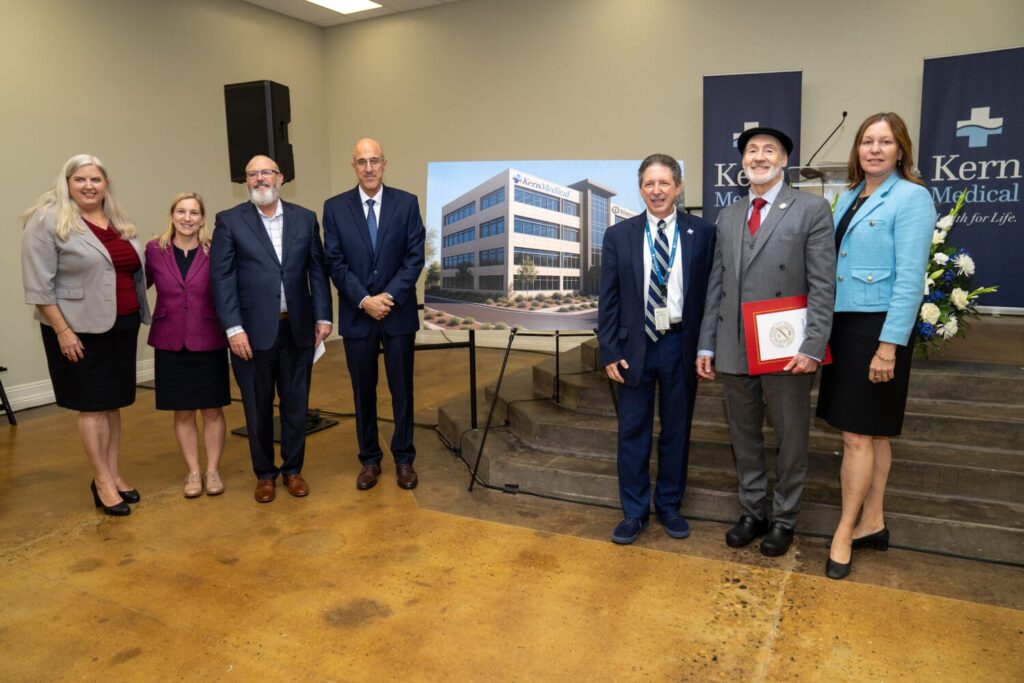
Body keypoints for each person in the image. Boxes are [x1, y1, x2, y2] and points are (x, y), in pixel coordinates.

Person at [696, 127, 835, 557]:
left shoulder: (811, 210)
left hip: (786, 349)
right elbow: (717, 283)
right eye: (751, 151)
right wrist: (706, 344)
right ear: (742, 164)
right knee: (744, 437)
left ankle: (785, 517)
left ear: (784, 161)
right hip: (735, 348)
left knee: (792, 438)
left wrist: (813, 345)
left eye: (768, 150)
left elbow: (823, 284)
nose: (759, 157)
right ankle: (752, 511)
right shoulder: (730, 215)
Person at [818, 112, 936, 580]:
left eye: (885, 141)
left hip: (878, 329)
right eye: (867, 141)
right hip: (843, 327)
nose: (875, 149)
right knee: (874, 431)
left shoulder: (912, 198)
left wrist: (888, 346)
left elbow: (910, 279)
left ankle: (844, 532)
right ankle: (873, 521)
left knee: (856, 434)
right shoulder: (847, 195)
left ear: (901, 149)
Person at [21, 154, 151, 516]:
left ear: (106, 184)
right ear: (67, 183)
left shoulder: (117, 220)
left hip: (121, 326)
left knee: (111, 405)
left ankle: (113, 473)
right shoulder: (47, 220)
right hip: (78, 331)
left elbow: (128, 270)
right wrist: (63, 331)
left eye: (96, 179)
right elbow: (37, 286)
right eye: (80, 179)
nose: (89, 186)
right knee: (92, 407)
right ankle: (102, 483)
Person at [597, 154, 716, 544]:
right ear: (641, 188)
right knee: (633, 431)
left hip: (680, 344)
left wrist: (706, 347)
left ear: (678, 188)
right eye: (649, 183)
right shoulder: (620, 235)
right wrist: (610, 351)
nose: (657, 190)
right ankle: (634, 512)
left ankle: (668, 505)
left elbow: (710, 296)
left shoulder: (703, 233)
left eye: (664, 183)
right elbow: (608, 299)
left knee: (676, 431)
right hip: (635, 347)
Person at [209, 156, 333, 503]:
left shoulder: (305, 219)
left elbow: (317, 272)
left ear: (280, 177)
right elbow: (222, 279)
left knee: (296, 405)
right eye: (252, 174)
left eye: (266, 172)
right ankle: (264, 474)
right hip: (250, 334)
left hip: (297, 330)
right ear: (245, 182)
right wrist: (233, 329)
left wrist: (323, 317)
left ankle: (293, 470)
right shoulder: (230, 222)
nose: (260, 179)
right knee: (257, 407)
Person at [322, 138, 425, 491]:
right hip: (358, 315)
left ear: (385, 164)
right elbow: (334, 261)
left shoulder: (406, 203)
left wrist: (389, 296)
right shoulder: (335, 208)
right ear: (353, 166)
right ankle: (369, 460)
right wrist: (364, 299)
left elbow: (415, 257)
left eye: (375, 161)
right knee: (362, 391)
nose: (368, 168)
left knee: (402, 390)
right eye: (362, 161)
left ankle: (404, 459)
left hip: (397, 315)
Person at [145, 193, 230, 498]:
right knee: (182, 412)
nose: (187, 218)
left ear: (203, 219)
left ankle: (212, 470)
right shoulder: (155, 250)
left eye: (194, 212)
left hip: (208, 337)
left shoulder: (214, 250)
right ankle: (193, 472)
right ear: (172, 215)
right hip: (169, 340)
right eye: (181, 211)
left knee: (211, 409)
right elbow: (139, 286)